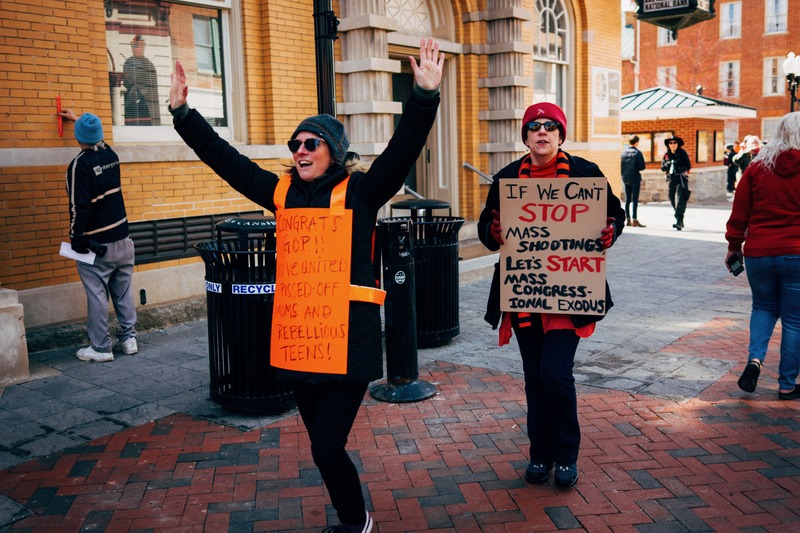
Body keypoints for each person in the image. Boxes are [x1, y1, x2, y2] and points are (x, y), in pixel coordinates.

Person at [169, 38, 444, 532]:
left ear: (333, 153)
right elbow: (226, 160)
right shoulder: (280, 194)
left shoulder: (361, 192)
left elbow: (403, 150)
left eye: (310, 143)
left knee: (326, 446)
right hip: (300, 346)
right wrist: (184, 114)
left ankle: (358, 523)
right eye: (295, 144)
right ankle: (353, 518)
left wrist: (423, 96)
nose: (300, 150)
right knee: (321, 446)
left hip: (349, 345)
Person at [477, 102, 625, 489]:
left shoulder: (585, 174)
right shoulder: (507, 179)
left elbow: (615, 213)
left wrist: (611, 229)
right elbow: (484, 231)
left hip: (568, 295)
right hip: (524, 294)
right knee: (533, 378)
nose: (541, 132)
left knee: (554, 374)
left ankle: (566, 457)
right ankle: (539, 456)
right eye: (534, 126)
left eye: (550, 126)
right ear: (525, 137)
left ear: (561, 135)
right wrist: (493, 231)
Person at [725, 112, 800, 401]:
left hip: (759, 253)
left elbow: (739, 213)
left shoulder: (757, 168)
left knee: (764, 308)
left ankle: (755, 360)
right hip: (796, 254)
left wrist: (734, 245)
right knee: (794, 320)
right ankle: (787, 383)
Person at [58, 109, 138, 362]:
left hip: (97, 244)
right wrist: (79, 120)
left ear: (79, 137)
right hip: (124, 239)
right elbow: (96, 136)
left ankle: (101, 348)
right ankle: (128, 339)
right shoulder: (110, 155)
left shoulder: (79, 165)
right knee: (123, 291)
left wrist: (75, 236)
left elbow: (78, 207)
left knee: (97, 295)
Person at [123, 34, 160, 125]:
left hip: (143, 106)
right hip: (132, 107)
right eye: (134, 46)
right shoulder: (129, 63)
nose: (135, 49)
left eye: (138, 46)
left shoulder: (147, 65)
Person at [660, 136, 691, 230]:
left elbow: (688, 165)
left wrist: (677, 168)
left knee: (681, 199)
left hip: (681, 178)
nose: (672, 145)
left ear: (678, 144)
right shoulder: (667, 155)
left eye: (674, 143)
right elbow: (662, 167)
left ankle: (678, 221)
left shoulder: (682, 153)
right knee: (672, 198)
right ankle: (680, 219)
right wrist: (667, 165)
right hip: (671, 179)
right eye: (670, 143)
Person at [620, 134, 646, 227]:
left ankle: (627, 219)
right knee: (634, 200)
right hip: (635, 178)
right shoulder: (637, 153)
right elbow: (642, 167)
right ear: (637, 142)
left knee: (627, 199)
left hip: (625, 178)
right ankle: (634, 219)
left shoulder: (623, 152)